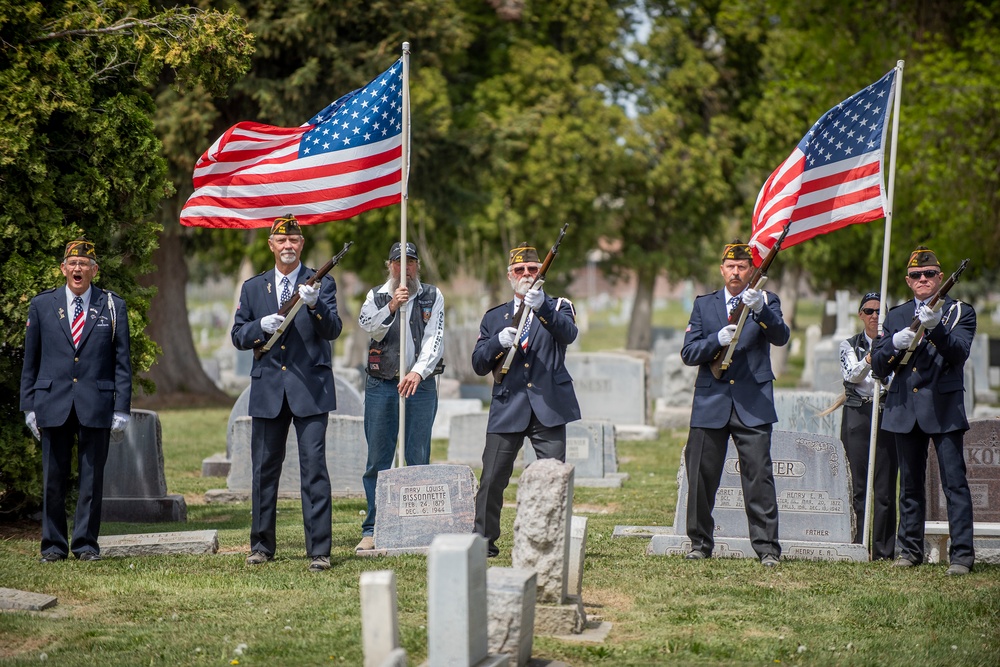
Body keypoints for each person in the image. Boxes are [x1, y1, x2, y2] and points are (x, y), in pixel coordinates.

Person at [231, 214, 343, 572]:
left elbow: (334, 330)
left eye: (294, 240)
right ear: (271, 245)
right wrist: (258, 327)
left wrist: (314, 304)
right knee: (264, 471)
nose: (288, 246)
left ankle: (319, 551)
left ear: (302, 245)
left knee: (314, 471)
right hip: (268, 390)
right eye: (282, 241)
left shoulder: (322, 283)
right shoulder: (253, 288)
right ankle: (261, 545)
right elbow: (237, 335)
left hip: (310, 388)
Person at [20, 238, 132, 563]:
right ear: (63, 269)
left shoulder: (112, 306)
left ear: (94, 270)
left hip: (95, 403)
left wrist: (121, 408)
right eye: (73, 263)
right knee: (53, 478)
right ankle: (53, 546)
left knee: (91, 480)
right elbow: (31, 360)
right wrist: (29, 405)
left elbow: (122, 361)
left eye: (85, 263)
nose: (78, 268)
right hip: (52, 402)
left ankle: (85, 545)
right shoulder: (43, 305)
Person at [679, 240, 789, 567]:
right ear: (722, 269)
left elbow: (781, 336)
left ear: (752, 270)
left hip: (752, 402)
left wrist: (760, 310)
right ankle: (699, 543)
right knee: (700, 476)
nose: (736, 272)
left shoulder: (766, 301)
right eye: (731, 266)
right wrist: (716, 340)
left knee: (758, 478)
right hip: (711, 401)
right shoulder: (704, 305)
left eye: (742, 267)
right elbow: (688, 353)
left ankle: (767, 548)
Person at [471, 242, 581, 558]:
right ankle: (484, 540)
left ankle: (553, 539)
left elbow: (568, 334)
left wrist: (543, 306)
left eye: (532, 269)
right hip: (509, 404)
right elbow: (479, 364)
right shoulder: (495, 316)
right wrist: (497, 341)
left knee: (554, 480)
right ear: (510, 276)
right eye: (520, 270)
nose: (527, 274)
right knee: (491, 479)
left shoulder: (559, 306)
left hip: (548, 405)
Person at [871, 246, 975, 575]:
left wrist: (936, 329)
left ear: (941, 278)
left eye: (929, 274)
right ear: (908, 280)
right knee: (910, 486)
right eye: (916, 275)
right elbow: (876, 364)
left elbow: (958, 354)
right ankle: (910, 550)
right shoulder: (897, 316)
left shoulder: (960, 312)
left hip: (942, 409)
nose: (923, 279)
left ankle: (961, 556)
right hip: (905, 407)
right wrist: (892, 344)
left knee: (954, 484)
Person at [355, 241, 445, 552]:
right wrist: (392, 305)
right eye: (398, 262)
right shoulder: (376, 296)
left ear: (417, 265)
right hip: (382, 384)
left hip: (420, 384)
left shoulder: (432, 295)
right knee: (378, 458)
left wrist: (418, 372)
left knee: (417, 457)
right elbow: (369, 327)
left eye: (410, 262)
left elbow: (435, 337)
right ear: (389, 265)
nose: (404, 268)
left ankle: (418, 526)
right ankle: (373, 528)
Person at [839, 292, 898, 560]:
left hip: (885, 411)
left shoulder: (896, 345)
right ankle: (857, 544)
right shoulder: (848, 344)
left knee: (884, 486)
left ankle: (884, 549)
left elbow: (894, 381)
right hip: (858, 415)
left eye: (880, 311)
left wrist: (883, 363)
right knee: (857, 485)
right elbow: (851, 375)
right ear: (861, 315)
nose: (875, 316)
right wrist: (870, 359)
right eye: (870, 311)